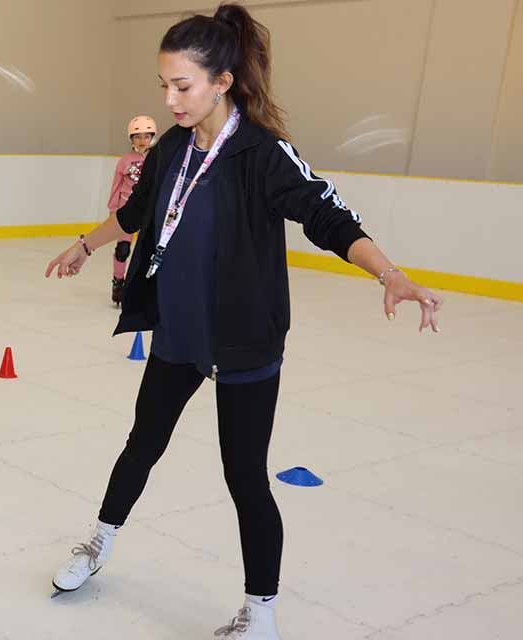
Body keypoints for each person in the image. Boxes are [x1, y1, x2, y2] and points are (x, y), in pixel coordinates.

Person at [44, 4, 443, 638]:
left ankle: (261, 614)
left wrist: (388, 272)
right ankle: (97, 543)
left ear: (223, 80)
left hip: (243, 338)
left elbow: (328, 217)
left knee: (244, 478)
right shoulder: (173, 147)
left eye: (184, 86)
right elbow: (140, 212)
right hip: (180, 331)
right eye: (165, 85)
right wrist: (84, 245)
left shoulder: (262, 153)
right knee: (142, 443)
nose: (172, 100)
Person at [108, 116, 157, 305]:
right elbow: (116, 186)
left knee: (146, 251)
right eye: (137, 136)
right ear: (131, 139)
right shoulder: (125, 160)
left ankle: (141, 287)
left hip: (148, 211)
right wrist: (113, 210)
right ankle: (118, 282)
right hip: (127, 210)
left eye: (146, 136)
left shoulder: (156, 158)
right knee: (122, 249)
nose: (142, 140)